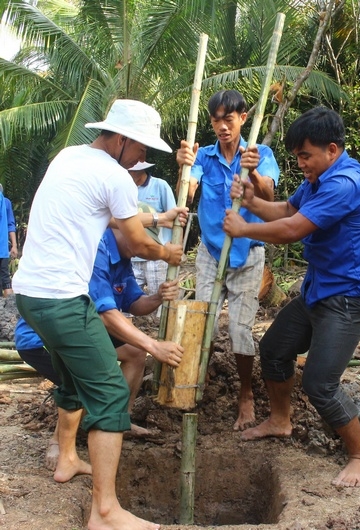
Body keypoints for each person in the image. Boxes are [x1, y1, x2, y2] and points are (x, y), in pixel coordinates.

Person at [12, 98, 188, 530]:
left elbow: (106, 215)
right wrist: (168, 251)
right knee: (109, 393)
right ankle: (106, 512)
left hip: (30, 295)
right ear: (123, 139)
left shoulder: (70, 156)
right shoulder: (115, 175)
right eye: (140, 149)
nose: (141, 160)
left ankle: (68, 457)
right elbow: (137, 242)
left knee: (73, 375)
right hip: (62, 299)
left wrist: (159, 215)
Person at [223, 106, 360, 488]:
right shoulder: (317, 179)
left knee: (319, 384)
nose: (300, 164)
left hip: (350, 299)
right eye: (296, 156)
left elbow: (294, 228)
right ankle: (280, 420)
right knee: (275, 349)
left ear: (332, 149)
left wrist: (245, 228)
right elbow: (285, 208)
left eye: (305, 156)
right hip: (319, 291)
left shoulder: (345, 183)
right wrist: (249, 201)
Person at [15, 226, 181, 468]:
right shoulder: (95, 247)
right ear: (126, 229)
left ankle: (118, 420)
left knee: (135, 353)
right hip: (43, 336)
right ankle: (59, 444)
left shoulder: (123, 257)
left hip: (83, 328)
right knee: (86, 374)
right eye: (144, 240)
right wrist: (154, 345)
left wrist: (157, 297)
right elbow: (106, 314)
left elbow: (133, 303)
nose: (145, 248)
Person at [176, 89, 280, 431]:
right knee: (200, 320)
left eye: (229, 119)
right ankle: (191, 386)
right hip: (210, 251)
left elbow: (269, 194)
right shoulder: (203, 155)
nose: (222, 126)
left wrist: (251, 175)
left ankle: (246, 394)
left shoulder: (259, 154)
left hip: (248, 254)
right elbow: (190, 189)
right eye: (216, 120)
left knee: (239, 330)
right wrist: (183, 172)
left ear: (243, 119)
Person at [129, 161, 177, 301]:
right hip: (131, 256)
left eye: (131, 171)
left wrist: (172, 249)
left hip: (157, 255)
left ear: (140, 171)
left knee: (162, 301)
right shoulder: (123, 188)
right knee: (126, 303)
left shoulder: (160, 186)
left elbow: (175, 219)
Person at [0, 184, 17, 296]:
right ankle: (10, 310)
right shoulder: (5, 202)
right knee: (5, 278)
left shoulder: (5, 202)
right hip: (2, 248)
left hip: (3, 248)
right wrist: (14, 245)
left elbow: (10, 224)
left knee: (5, 278)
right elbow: (11, 225)